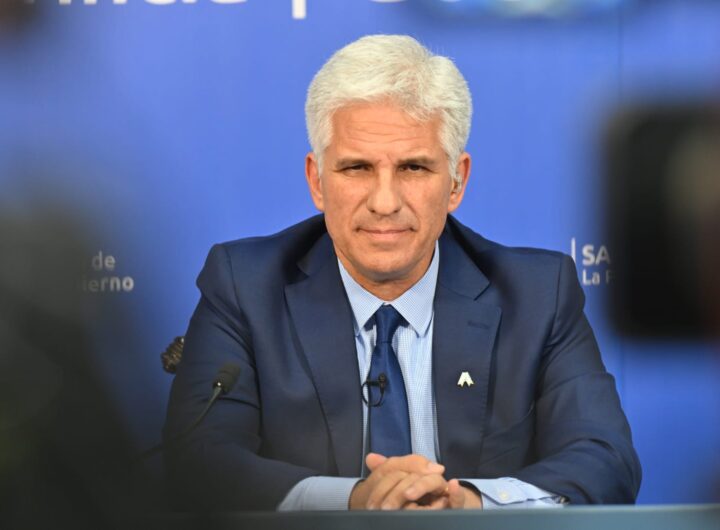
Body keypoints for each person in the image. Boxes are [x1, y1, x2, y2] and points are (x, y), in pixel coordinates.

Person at [164, 34, 641, 511]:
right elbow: (199, 462)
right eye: (357, 168)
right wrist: (353, 502)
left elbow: (605, 459)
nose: (385, 201)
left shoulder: (537, 296)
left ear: (456, 182)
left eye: (413, 168)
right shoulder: (245, 287)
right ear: (317, 180)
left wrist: (469, 507)